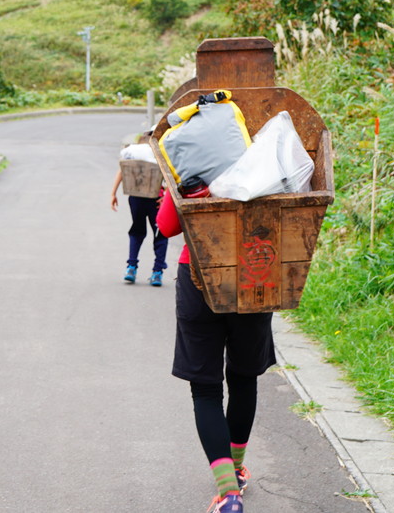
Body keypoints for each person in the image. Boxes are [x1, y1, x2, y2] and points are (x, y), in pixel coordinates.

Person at [159, 189, 268, 513]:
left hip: (198, 276)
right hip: (255, 271)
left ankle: (228, 494)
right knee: (244, 377)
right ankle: (235, 470)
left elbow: (166, 226)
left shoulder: (186, 151)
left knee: (206, 389)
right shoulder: (267, 148)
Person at [109, 134, 168, 286]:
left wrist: (113, 193)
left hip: (135, 198)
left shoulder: (131, 155)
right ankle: (157, 272)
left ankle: (131, 267)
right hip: (157, 200)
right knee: (160, 234)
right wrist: (167, 196)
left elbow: (122, 170)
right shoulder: (161, 153)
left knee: (137, 231)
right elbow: (171, 177)